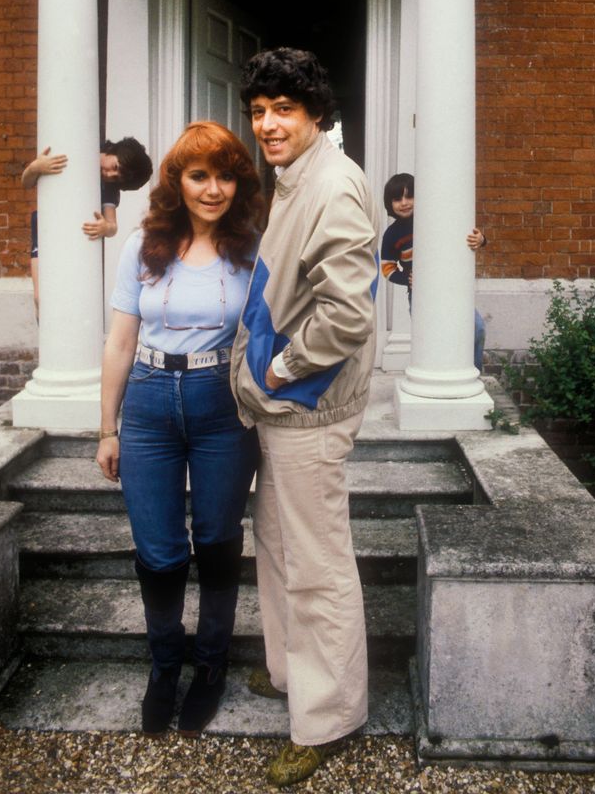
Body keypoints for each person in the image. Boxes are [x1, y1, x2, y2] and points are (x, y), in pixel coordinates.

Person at [230, 48, 380, 788]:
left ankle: (327, 716)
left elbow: (347, 314)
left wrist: (280, 368)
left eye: (283, 109)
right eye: (258, 111)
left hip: (308, 406)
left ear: (315, 112)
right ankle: (292, 672)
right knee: (279, 544)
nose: (267, 124)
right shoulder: (297, 177)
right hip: (283, 410)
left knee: (315, 562)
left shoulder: (333, 185)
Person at [95, 122, 264, 738]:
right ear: (177, 181)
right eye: (199, 176)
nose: (213, 189)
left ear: (238, 184)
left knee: (218, 539)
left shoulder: (254, 246)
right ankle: (165, 667)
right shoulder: (143, 243)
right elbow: (119, 338)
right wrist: (107, 428)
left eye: (224, 176)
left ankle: (211, 666)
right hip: (147, 402)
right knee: (159, 548)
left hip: (221, 401)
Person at [22, 137, 153, 316]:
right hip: (44, 229)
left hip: (74, 236)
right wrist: (35, 167)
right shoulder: (80, 147)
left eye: (117, 178)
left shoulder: (108, 186)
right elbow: (26, 182)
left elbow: (112, 225)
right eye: (114, 167)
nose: (109, 175)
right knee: (40, 297)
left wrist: (105, 228)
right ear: (113, 151)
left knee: (67, 294)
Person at [381, 172, 486, 372]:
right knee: (431, 340)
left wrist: (481, 239)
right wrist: (407, 278)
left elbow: (466, 235)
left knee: (477, 328)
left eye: (410, 196)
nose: (404, 203)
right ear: (390, 203)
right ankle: (437, 379)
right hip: (421, 297)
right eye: (397, 199)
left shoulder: (438, 218)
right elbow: (387, 267)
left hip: (451, 289)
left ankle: (475, 375)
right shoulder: (392, 235)